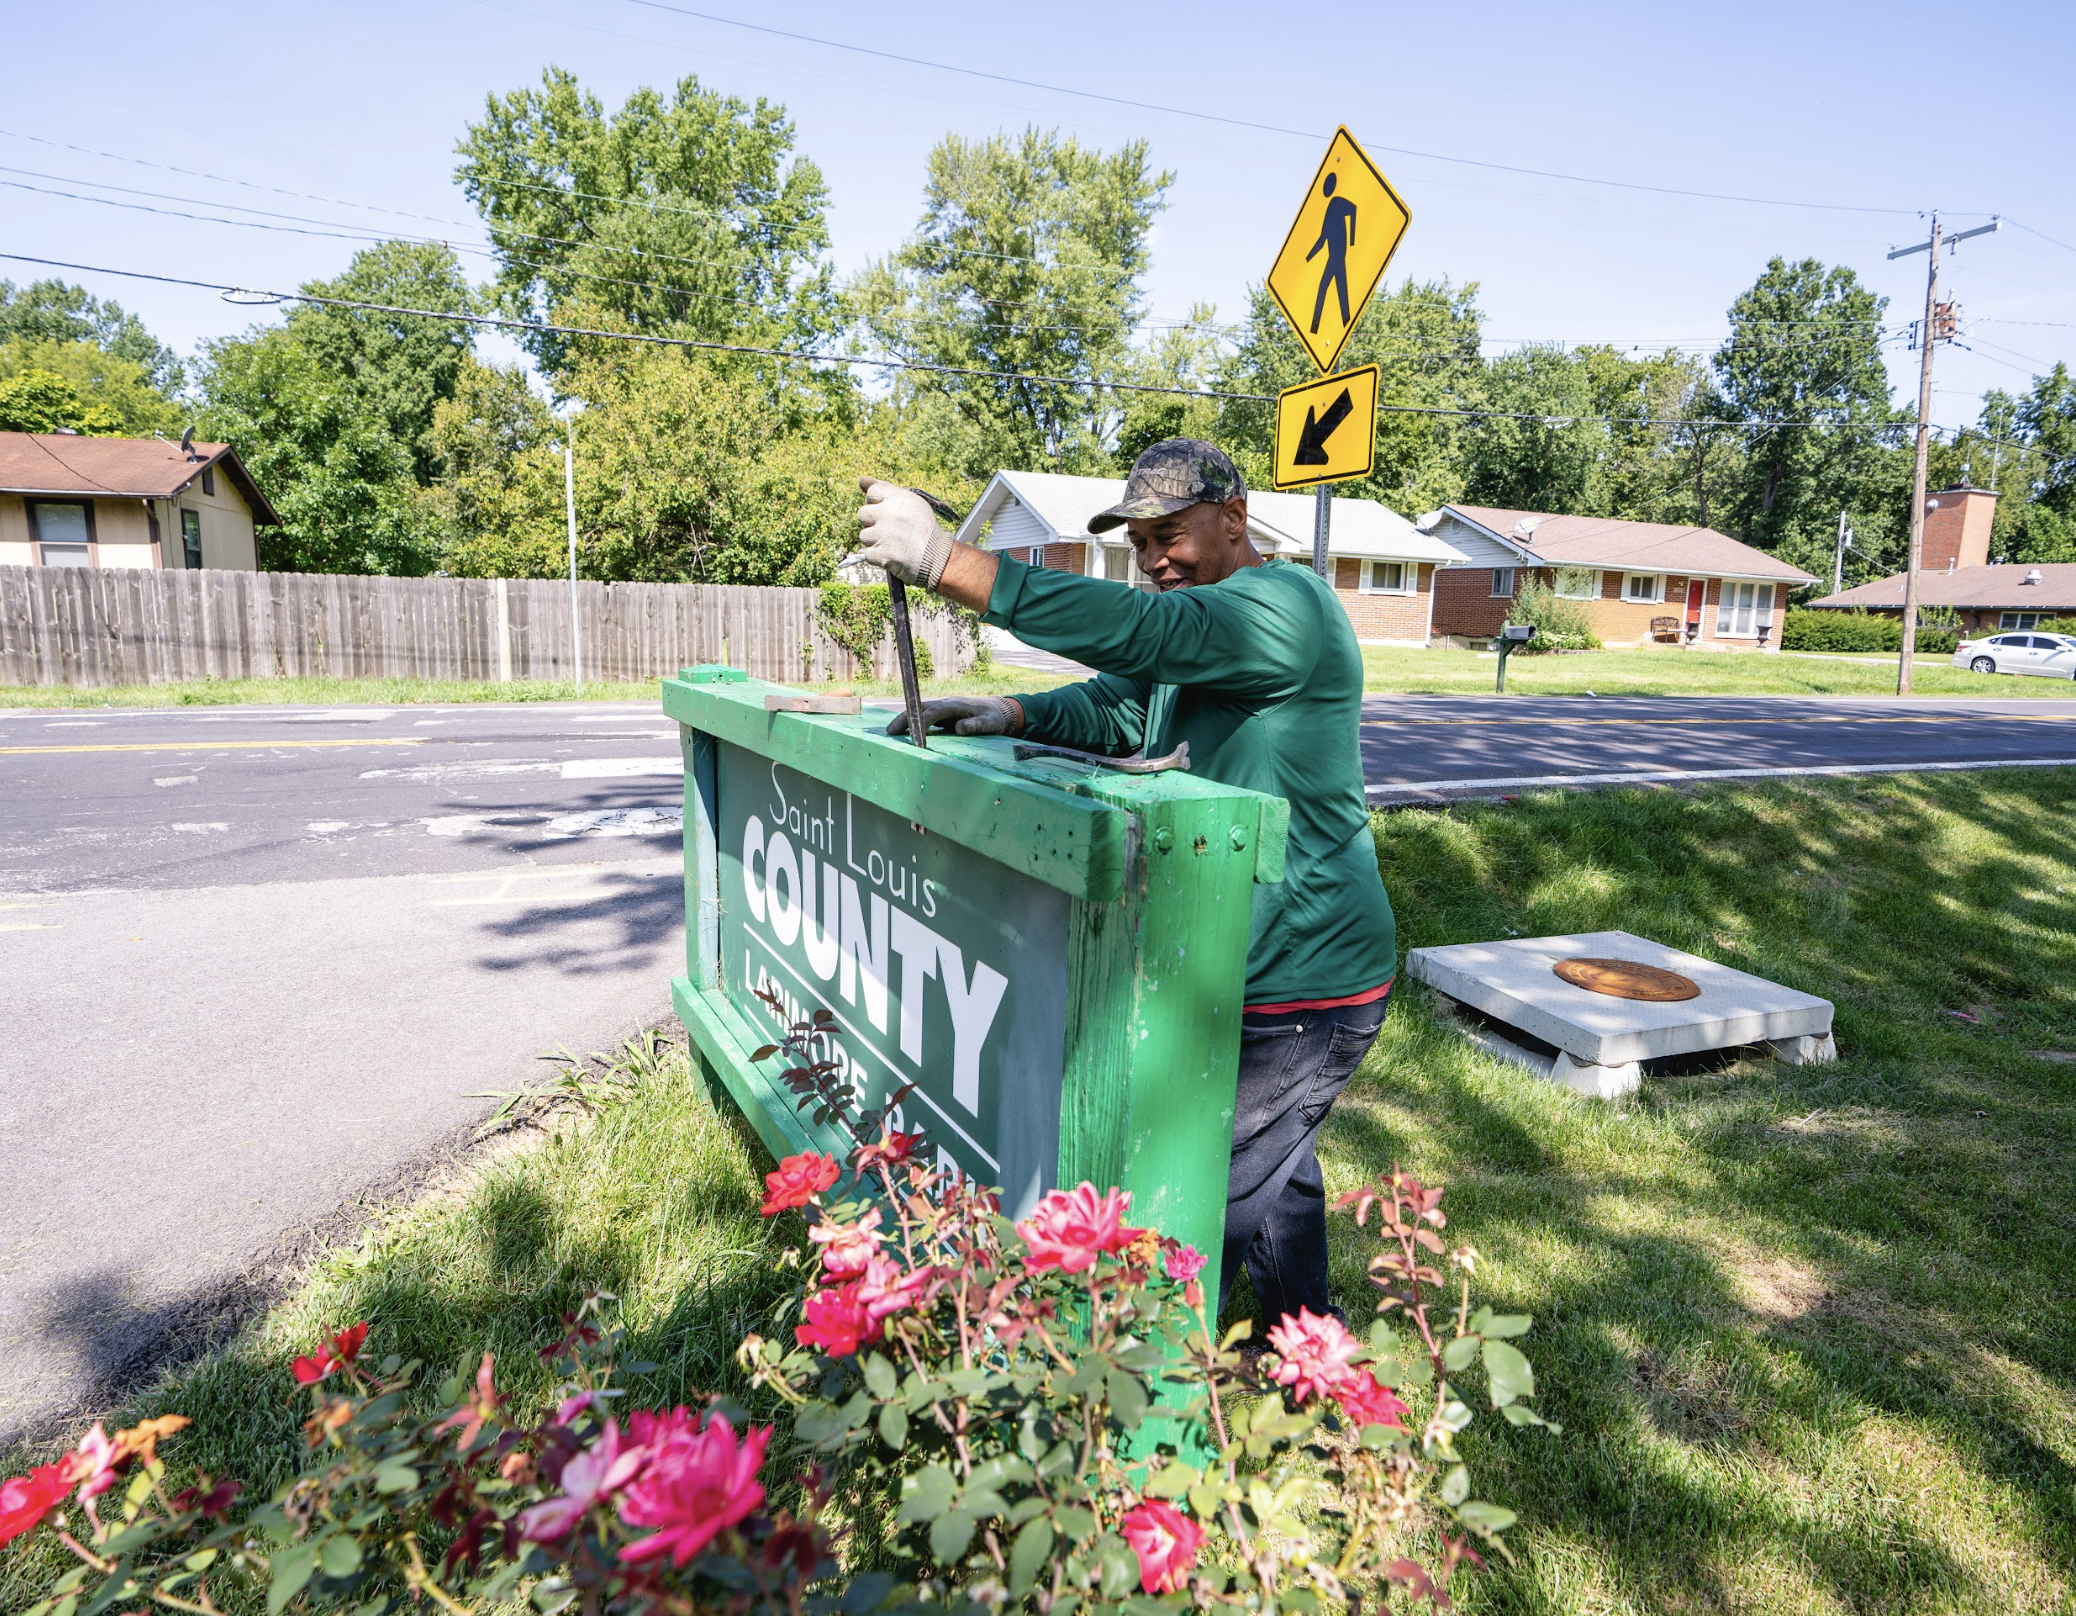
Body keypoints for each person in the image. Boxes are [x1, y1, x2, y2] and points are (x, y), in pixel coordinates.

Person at [850, 439, 1396, 1333]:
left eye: (1170, 534)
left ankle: (1152, 1392)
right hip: (1241, 962)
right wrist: (1014, 713)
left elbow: (1149, 636)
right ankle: (1312, 1360)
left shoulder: (1283, 607)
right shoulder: (1210, 627)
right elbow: (1123, 699)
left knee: (1191, 1195)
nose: (1152, 561)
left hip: (1308, 976)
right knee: (1275, 1166)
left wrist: (950, 563)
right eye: (1138, 544)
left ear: (1234, 519)